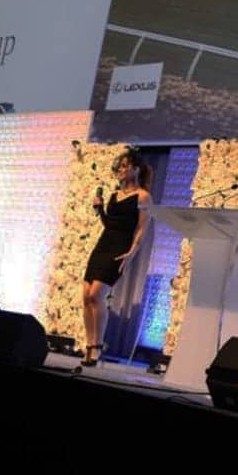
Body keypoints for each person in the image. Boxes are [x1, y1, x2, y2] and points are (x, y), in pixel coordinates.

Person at [81, 147, 152, 367]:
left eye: (124, 166)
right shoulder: (113, 195)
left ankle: (98, 345)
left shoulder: (143, 196)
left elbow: (141, 228)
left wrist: (133, 250)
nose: (120, 170)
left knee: (96, 294)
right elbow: (109, 224)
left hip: (120, 246)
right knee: (86, 295)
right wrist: (100, 210)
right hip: (103, 243)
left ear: (136, 169)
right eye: (118, 167)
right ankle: (89, 345)